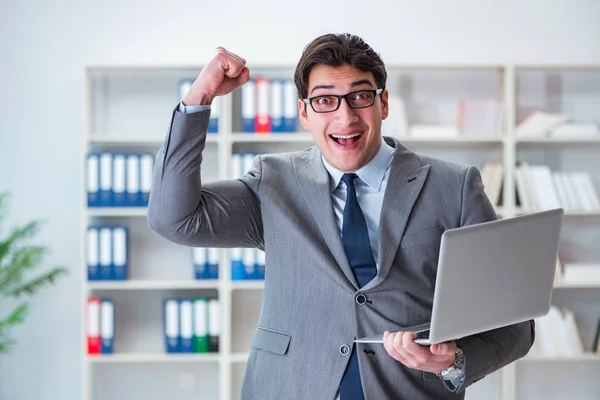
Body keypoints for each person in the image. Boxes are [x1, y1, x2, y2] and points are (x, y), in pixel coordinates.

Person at [148, 33, 534, 400]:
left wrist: (454, 361)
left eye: (360, 97)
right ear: (304, 112)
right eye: (325, 100)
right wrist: (199, 99)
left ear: (383, 103)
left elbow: (515, 323)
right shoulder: (273, 183)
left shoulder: (454, 187)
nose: (345, 118)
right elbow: (173, 218)